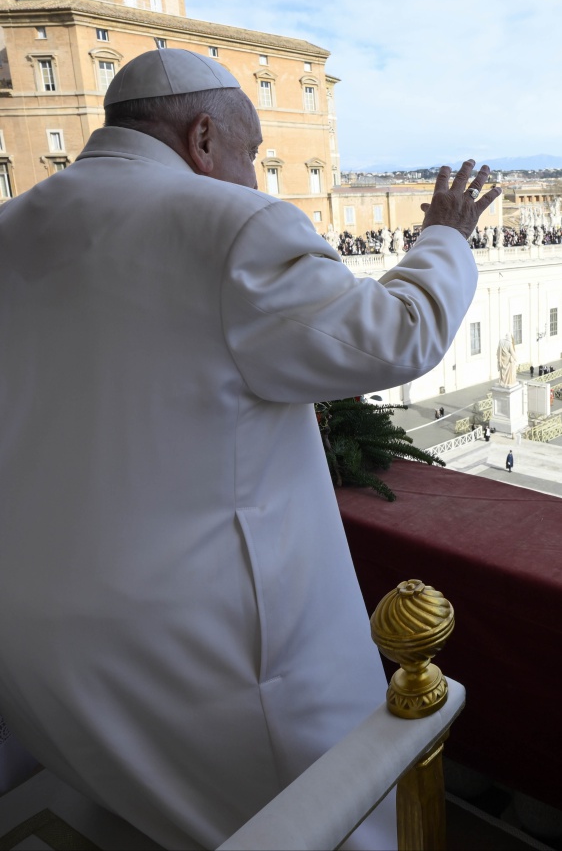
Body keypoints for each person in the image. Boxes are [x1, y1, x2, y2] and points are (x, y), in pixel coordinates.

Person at [0, 48, 500, 851]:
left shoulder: (12, 224)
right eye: (253, 154)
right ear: (203, 137)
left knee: (127, 798)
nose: (256, 177)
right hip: (202, 652)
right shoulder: (232, 225)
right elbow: (396, 335)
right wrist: (442, 239)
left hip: (36, 634)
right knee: (322, 814)